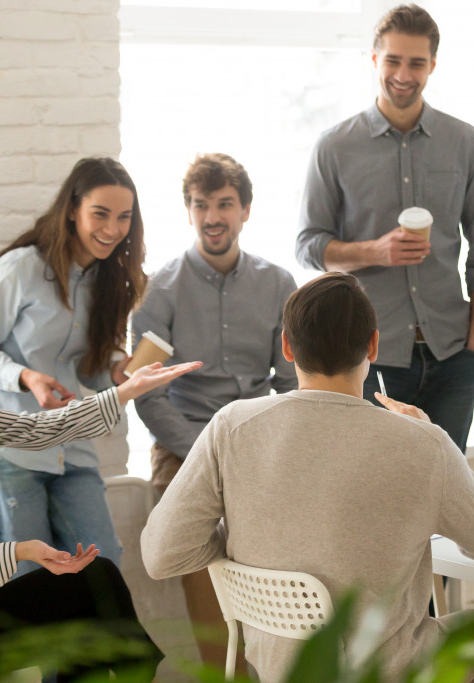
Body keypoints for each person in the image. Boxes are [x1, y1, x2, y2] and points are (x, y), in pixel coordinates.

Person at [141, 272, 474, 683]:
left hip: (280, 671)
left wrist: (238, 535)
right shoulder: (422, 443)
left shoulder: (230, 427)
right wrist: (434, 439)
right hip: (391, 670)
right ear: (374, 344)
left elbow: (162, 554)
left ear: (286, 346)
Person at [0, 271, 201, 682]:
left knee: (86, 595)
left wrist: (126, 391)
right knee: (92, 585)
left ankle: (138, 669)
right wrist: (22, 551)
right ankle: (141, 669)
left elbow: (37, 430)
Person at [295, 3, 474, 453]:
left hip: (454, 355)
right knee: (377, 490)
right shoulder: (334, 147)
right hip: (370, 357)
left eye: (416, 63)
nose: (403, 74)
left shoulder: (465, 142)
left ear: (432, 65)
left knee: (447, 487)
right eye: (393, 60)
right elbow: (309, 246)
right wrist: (375, 252)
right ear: (374, 60)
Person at [132, 152, 297, 665]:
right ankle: (221, 673)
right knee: (198, 560)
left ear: (245, 210)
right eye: (201, 205)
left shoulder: (278, 285)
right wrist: (203, 450)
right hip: (183, 445)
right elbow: (148, 393)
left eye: (224, 204)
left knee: (289, 551)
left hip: (258, 443)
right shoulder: (158, 290)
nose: (212, 217)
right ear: (187, 212)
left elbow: (290, 380)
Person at [0, 156, 147, 574]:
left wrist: (116, 371)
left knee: (105, 566)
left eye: (124, 217)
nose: (112, 229)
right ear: (72, 209)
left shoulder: (110, 283)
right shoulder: (19, 270)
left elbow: (88, 371)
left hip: (73, 448)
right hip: (12, 449)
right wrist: (26, 377)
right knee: (26, 577)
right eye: (100, 214)